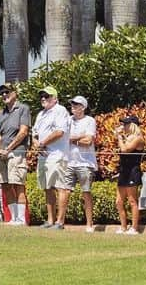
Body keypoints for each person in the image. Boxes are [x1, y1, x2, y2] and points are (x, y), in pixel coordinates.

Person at [0, 82, 31, 225]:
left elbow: (23, 132)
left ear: (15, 93)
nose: (4, 95)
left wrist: (8, 149)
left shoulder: (23, 109)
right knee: (6, 185)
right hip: (1, 154)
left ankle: (21, 219)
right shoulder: (1, 113)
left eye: (7, 92)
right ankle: (13, 218)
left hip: (16, 153)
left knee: (17, 184)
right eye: (2, 93)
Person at [33, 85, 70, 229]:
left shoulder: (60, 110)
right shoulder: (41, 114)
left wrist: (42, 143)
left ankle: (60, 222)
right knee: (47, 187)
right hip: (43, 156)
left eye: (47, 96)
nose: (43, 99)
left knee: (60, 187)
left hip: (57, 155)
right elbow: (34, 133)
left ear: (55, 99)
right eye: (42, 96)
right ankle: (50, 221)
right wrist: (36, 143)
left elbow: (59, 132)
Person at [58, 95, 97, 232]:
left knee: (86, 192)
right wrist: (80, 136)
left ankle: (89, 225)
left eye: (76, 104)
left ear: (83, 107)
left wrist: (72, 139)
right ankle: (59, 222)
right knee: (64, 190)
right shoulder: (68, 120)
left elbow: (88, 142)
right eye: (72, 104)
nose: (73, 106)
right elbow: (62, 137)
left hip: (85, 163)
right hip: (69, 162)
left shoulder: (90, 121)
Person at [115, 114, 145, 235]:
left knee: (132, 200)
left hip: (133, 171)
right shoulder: (126, 137)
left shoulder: (138, 138)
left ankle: (134, 228)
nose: (123, 126)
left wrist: (119, 137)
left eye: (126, 124)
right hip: (124, 171)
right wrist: (120, 137)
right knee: (119, 201)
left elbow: (125, 150)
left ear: (133, 125)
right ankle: (123, 227)